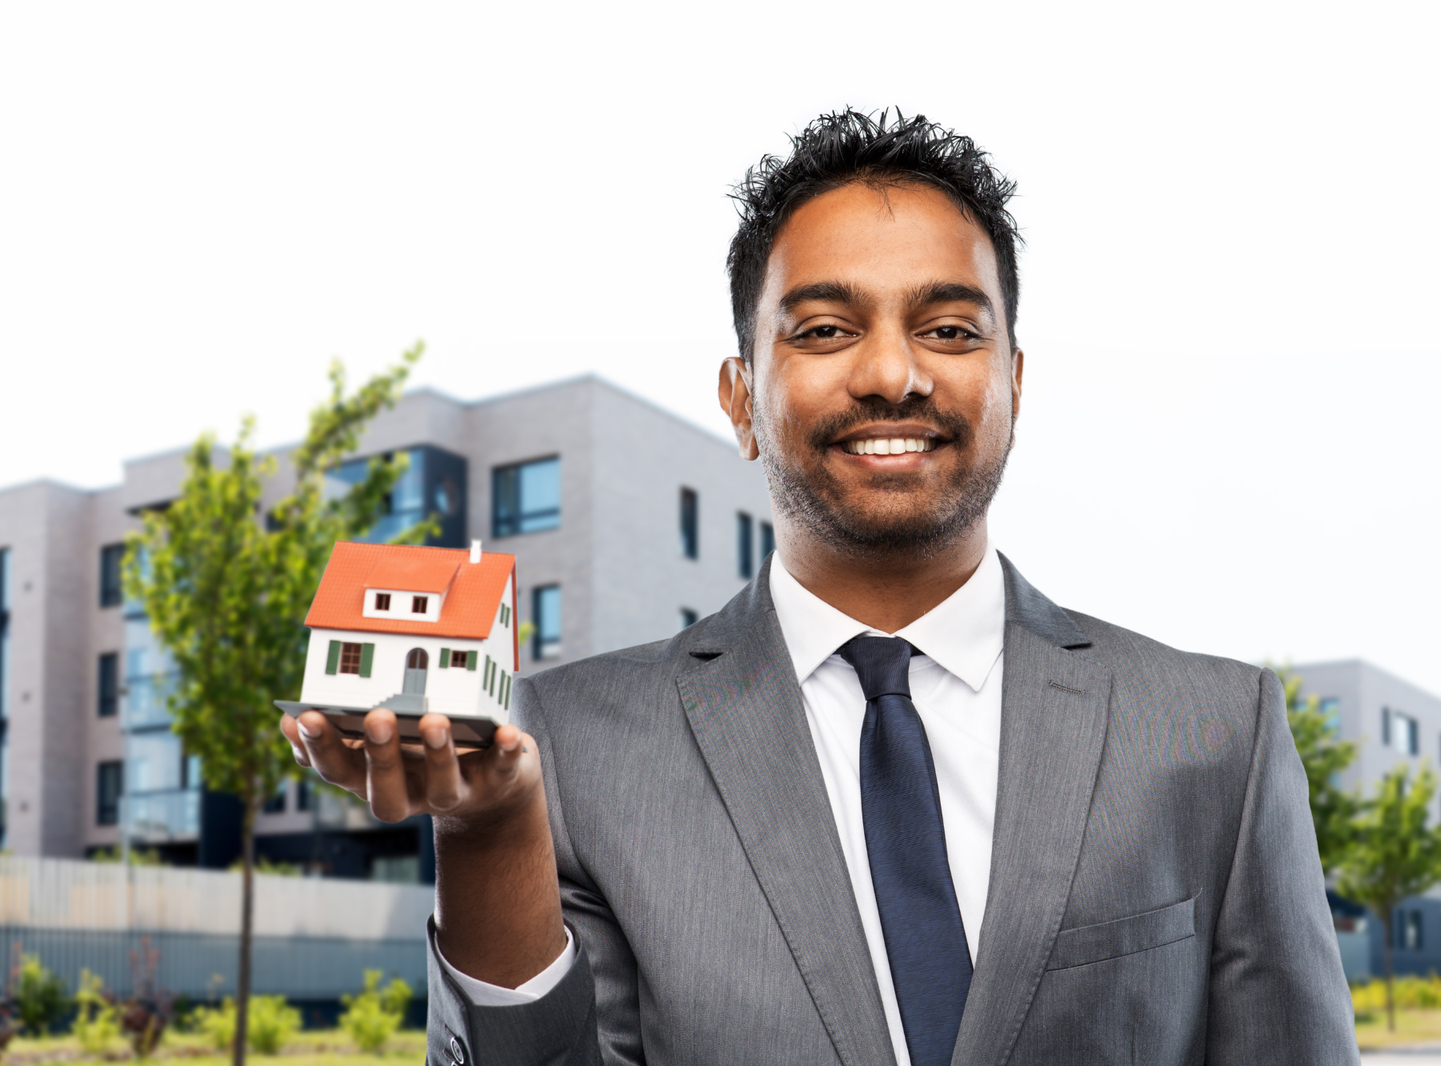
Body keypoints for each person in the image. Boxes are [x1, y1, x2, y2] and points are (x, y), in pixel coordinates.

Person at [283, 109, 1359, 1066]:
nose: (893, 373)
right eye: (825, 330)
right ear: (742, 399)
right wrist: (486, 838)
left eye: (947, 329)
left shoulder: (1215, 734)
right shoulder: (574, 743)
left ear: (1013, 385)